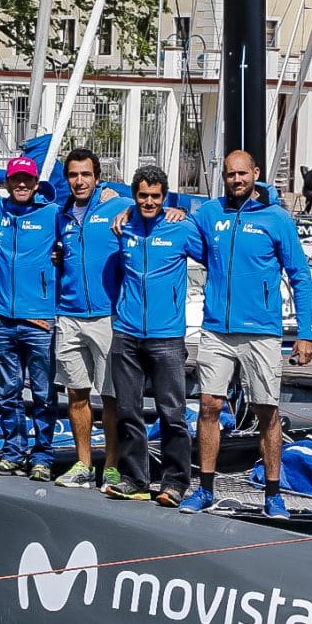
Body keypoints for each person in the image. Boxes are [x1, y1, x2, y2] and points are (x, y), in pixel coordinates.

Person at [186, 150, 312, 516]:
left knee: (267, 412)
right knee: (209, 406)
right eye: (230, 174)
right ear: (223, 177)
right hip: (216, 330)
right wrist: (129, 209)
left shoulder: (276, 219)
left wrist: (305, 333)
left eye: (242, 173)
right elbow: (178, 234)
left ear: (255, 173)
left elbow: (300, 277)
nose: (236, 180)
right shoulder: (210, 214)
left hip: (261, 332)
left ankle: (273, 494)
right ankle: (206, 488)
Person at [103, 166, 205, 506]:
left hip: (166, 337)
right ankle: (135, 478)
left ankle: (175, 482)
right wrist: (126, 210)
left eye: (156, 197)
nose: (149, 202)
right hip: (127, 334)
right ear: (135, 195)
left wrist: (185, 210)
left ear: (165, 197)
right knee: (128, 411)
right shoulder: (124, 225)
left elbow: (212, 254)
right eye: (143, 196)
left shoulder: (180, 227)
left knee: (172, 413)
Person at [50, 148, 131, 490]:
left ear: (97, 177)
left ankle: (111, 465)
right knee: (77, 394)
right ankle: (83, 464)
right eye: (73, 175)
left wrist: (126, 200)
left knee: (110, 397)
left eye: (85, 174)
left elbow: (153, 206)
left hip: (105, 316)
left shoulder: (116, 204)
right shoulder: (62, 214)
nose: (79, 181)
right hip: (68, 316)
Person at [0, 156, 60, 480]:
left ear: (35, 184)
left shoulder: (51, 214)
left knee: (43, 394)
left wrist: (112, 197)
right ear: (6, 182)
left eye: (26, 180)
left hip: (39, 322)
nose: (21, 185)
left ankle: (43, 456)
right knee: (8, 392)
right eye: (15, 179)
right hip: (3, 320)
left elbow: (86, 215)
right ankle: (13, 453)